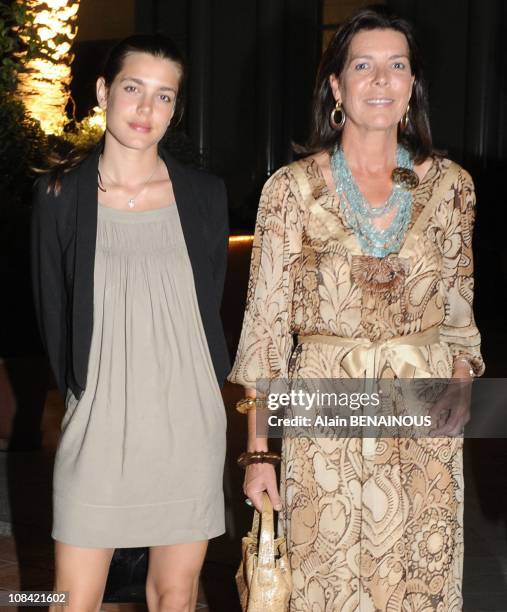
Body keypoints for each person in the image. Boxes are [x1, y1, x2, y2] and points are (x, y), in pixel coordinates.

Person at [228, 6, 483, 611]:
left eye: (397, 66)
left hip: (422, 416)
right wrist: (259, 453)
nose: (381, 80)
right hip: (325, 420)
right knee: (327, 580)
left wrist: (462, 381)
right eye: (363, 66)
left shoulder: (452, 186)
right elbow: (266, 329)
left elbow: (459, 310)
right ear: (337, 88)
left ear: (411, 86)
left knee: (420, 577)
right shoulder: (289, 189)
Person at [31, 34, 230, 612]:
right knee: (70, 597)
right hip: (98, 420)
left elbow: (207, 300)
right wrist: (82, 392)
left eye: (164, 97)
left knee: (175, 594)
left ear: (176, 108)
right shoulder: (59, 194)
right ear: (103, 92)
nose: (147, 110)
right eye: (133, 89)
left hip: (186, 420)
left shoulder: (204, 195)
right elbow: (52, 308)